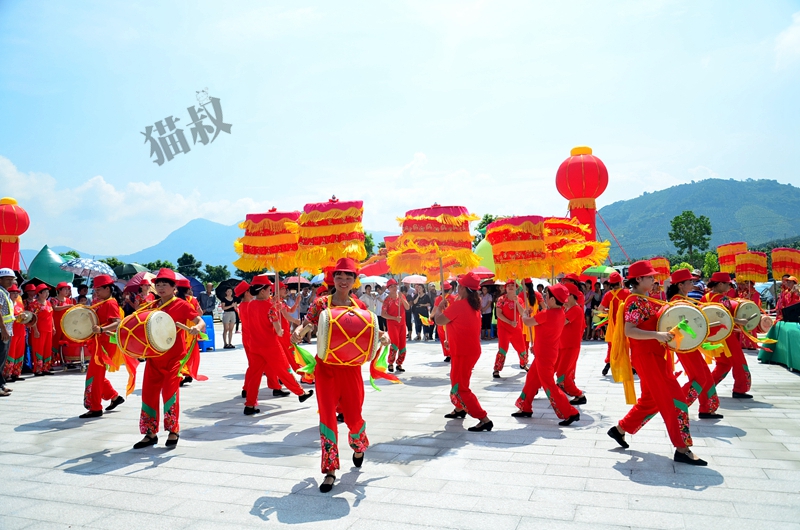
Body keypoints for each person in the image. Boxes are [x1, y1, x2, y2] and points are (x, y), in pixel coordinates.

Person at [291, 258, 389, 493]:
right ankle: (330, 469)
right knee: (327, 418)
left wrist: (383, 338)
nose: (343, 281)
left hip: (351, 370)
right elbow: (307, 325)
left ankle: (358, 444)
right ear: (333, 279)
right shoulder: (320, 304)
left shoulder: (360, 308)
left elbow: (373, 331)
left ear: (355, 281)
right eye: (339, 276)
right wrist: (298, 331)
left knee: (354, 418)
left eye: (348, 277)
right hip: (326, 369)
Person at [607, 260, 706, 466]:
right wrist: (657, 335)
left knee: (651, 400)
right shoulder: (635, 301)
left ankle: (620, 429)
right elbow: (630, 331)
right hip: (647, 357)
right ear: (639, 279)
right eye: (650, 277)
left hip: (653, 355)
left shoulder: (645, 299)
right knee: (675, 399)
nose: (654, 280)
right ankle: (682, 448)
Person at [134, 269, 205, 450]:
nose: (160, 287)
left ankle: (173, 430)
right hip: (154, 357)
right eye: (158, 284)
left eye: (165, 284)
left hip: (174, 358)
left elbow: (200, 321)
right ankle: (150, 433)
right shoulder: (151, 306)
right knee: (148, 394)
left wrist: (196, 327)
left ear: (174, 288)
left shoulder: (181, 305)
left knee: (170, 393)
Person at [431, 271, 493, 432]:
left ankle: (483, 418)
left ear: (464, 289)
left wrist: (439, 308)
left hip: (464, 352)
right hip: (467, 350)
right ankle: (459, 409)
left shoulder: (459, 305)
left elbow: (438, 320)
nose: (457, 288)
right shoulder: (474, 304)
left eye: (459, 286)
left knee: (461, 387)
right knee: (455, 380)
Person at [242, 276, 313, 415]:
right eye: (269, 289)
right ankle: (300, 393)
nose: (270, 292)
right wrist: (280, 330)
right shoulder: (270, 307)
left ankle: (249, 405)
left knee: (255, 376)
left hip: (255, 345)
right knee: (285, 370)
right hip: (271, 345)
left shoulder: (250, 305)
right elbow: (278, 328)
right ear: (262, 291)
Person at [513, 284, 580, 426]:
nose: (545, 297)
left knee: (549, 384)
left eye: (547, 296)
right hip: (548, 353)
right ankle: (525, 406)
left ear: (553, 300)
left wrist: (525, 313)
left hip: (544, 355)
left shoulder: (547, 314)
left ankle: (570, 412)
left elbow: (527, 322)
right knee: (531, 379)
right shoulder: (560, 312)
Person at [666, 268, 722, 419]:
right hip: (685, 345)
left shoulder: (683, 300)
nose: (693, 283)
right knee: (699, 378)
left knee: (705, 375)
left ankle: (707, 408)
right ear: (680, 285)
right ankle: (677, 409)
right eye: (690, 281)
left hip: (690, 344)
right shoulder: (677, 302)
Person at [701, 271, 753, 399]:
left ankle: (708, 388)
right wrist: (739, 321)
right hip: (726, 335)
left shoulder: (705, 297)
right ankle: (740, 389)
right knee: (739, 361)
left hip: (713, 336)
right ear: (719, 284)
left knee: (724, 363)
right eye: (727, 284)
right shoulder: (722, 299)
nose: (729, 287)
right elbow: (725, 318)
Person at [80, 274, 125, 418]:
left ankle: (95, 407)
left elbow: (117, 322)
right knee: (97, 374)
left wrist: (101, 329)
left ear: (108, 288)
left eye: (99, 289)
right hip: (100, 342)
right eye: (95, 290)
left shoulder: (110, 303)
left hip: (105, 344)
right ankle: (114, 397)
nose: (96, 292)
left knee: (94, 375)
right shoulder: (102, 303)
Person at [556, 282, 587, 405]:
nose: (564, 299)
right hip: (563, 345)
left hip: (571, 346)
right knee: (562, 373)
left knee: (562, 374)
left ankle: (579, 394)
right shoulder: (566, 308)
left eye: (566, 296)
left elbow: (561, 322)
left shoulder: (576, 309)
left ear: (573, 296)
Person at [492, 280, 528, 378]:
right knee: (502, 349)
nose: (511, 287)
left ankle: (523, 364)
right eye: (509, 286)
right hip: (504, 328)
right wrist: (510, 322)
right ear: (505, 288)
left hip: (516, 328)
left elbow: (522, 313)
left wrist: (516, 302)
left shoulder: (519, 299)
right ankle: (497, 369)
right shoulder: (501, 299)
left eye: (513, 285)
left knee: (521, 348)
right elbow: (498, 314)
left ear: (516, 288)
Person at [598, 272, 630, 376]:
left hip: (612, 325)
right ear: (620, 282)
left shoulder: (608, 295)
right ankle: (630, 366)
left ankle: (608, 363)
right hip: (625, 324)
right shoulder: (627, 292)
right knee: (626, 344)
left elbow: (600, 309)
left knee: (611, 345)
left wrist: (609, 311)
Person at [382, 279, 410, 372]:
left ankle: (399, 363)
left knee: (403, 344)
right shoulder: (387, 299)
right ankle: (390, 363)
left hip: (402, 324)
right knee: (395, 343)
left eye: (395, 286)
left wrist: (402, 299)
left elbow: (407, 307)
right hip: (392, 324)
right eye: (392, 286)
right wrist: (394, 318)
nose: (394, 288)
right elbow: (383, 314)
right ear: (388, 288)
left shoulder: (401, 296)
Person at [28, 284, 55, 376]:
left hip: (48, 330)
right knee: (38, 349)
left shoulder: (48, 303)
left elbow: (51, 316)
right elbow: (33, 319)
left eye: (48, 292)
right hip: (39, 330)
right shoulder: (34, 304)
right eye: (45, 292)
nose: (47, 294)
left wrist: (53, 327)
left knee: (47, 349)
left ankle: (46, 368)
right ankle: (38, 369)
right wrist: (35, 330)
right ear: (39, 293)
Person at [2, 283, 26, 383]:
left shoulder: (19, 304)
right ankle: (7, 374)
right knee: (10, 353)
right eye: (13, 293)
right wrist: (16, 318)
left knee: (19, 353)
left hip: (21, 331)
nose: (15, 295)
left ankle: (16, 373)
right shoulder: (7, 305)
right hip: (12, 331)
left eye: (17, 292)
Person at [0, 269, 16, 397]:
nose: (11, 281)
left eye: (12, 279)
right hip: (2, 331)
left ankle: (1, 384)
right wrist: (4, 329)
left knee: (2, 359)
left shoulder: (5, 293)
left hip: (7, 330)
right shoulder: (0, 293)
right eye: (7, 279)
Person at [434, 282, 457, 361]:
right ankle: (453, 353)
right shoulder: (454, 298)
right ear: (450, 289)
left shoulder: (438, 299)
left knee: (443, 337)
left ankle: (448, 354)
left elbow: (435, 310)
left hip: (441, 320)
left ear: (441, 289)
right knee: (451, 337)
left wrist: (430, 317)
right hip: (451, 321)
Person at [50, 282, 74, 354]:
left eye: (68, 289)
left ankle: (64, 356)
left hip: (66, 323)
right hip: (57, 322)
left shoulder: (68, 300)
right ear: (59, 290)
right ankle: (55, 357)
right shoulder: (54, 300)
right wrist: (67, 306)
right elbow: (55, 308)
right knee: (56, 339)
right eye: (65, 289)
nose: (67, 291)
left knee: (65, 339)